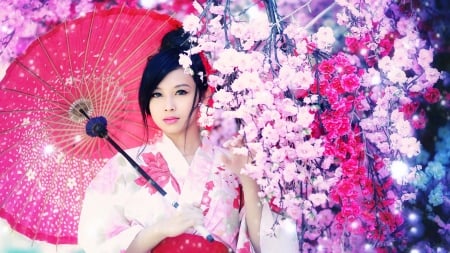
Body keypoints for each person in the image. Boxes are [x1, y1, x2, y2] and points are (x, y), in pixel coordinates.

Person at [78, 27, 299, 253]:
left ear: (203, 94)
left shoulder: (230, 160)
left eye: (181, 92)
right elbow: (97, 246)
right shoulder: (123, 167)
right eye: (157, 94)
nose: (168, 105)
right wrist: (159, 230)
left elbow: (273, 246)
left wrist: (248, 181)